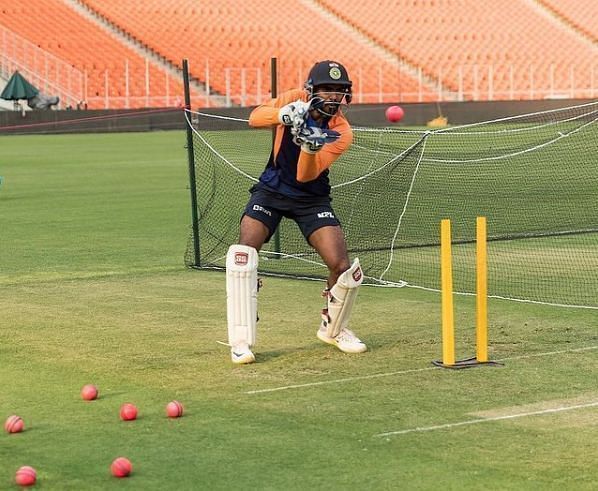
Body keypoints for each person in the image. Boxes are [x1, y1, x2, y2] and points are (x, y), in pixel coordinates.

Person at [226, 60, 366, 364]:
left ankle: (333, 328)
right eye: (327, 89)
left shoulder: (341, 131)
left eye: (339, 91)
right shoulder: (293, 98)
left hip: (310, 197)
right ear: (312, 89)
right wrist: (282, 115)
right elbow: (254, 118)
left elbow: (305, 175)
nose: (332, 96)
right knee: (243, 255)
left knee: (340, 263)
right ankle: (241, 339)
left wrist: (310, 147)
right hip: (272, 189)